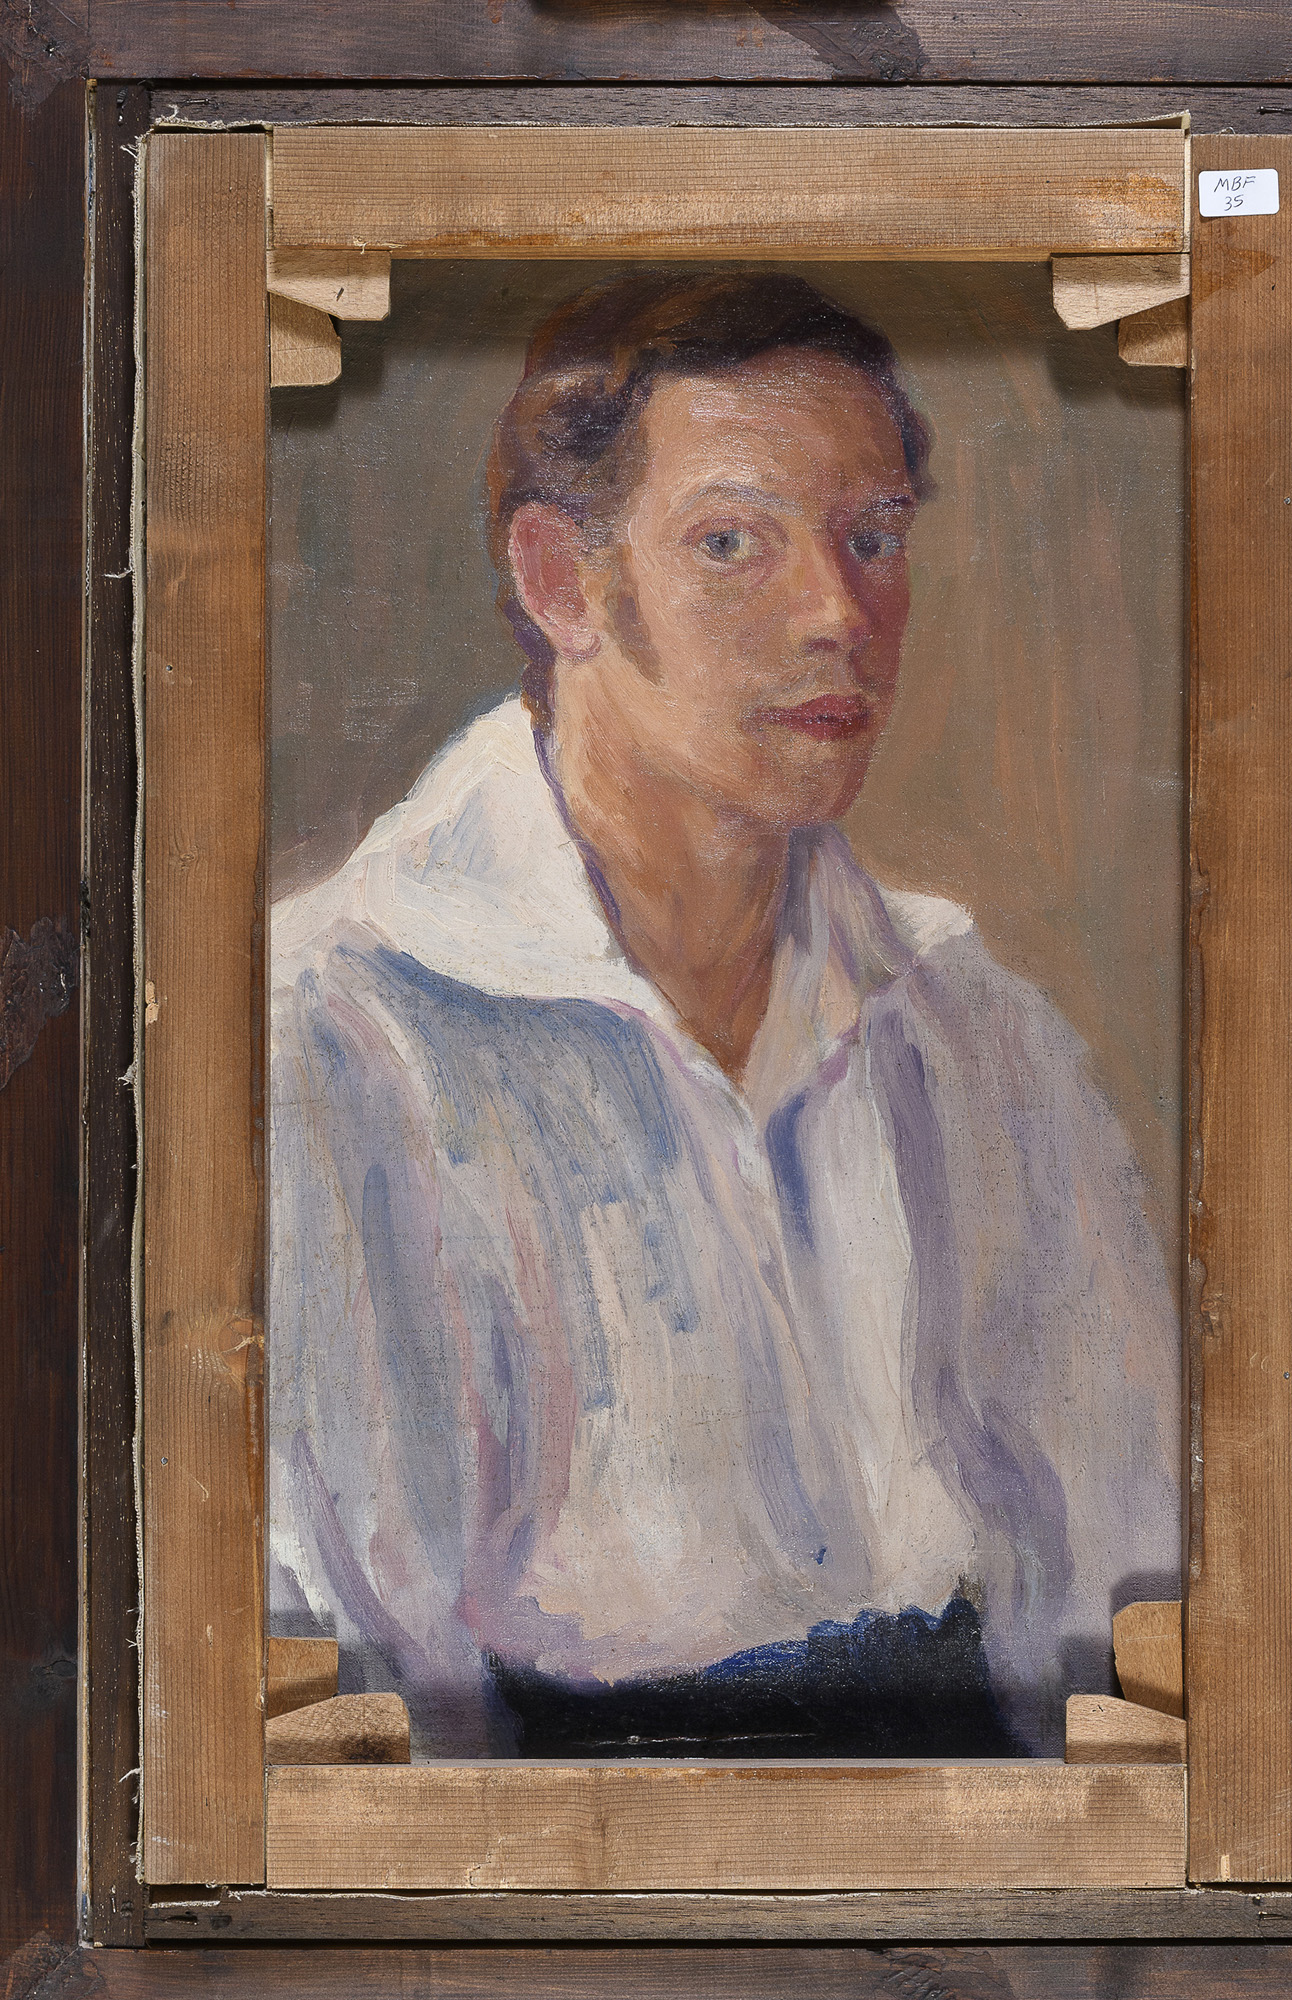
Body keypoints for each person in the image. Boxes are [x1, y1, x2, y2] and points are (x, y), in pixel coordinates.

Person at [269, 270, 1180, 1760]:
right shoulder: (334, 1035)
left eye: (873, 537)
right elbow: (346, 1701)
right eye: (730, 543)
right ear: (562, 583)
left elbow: (1124, 1569)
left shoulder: (976, 1034)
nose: (839, 615)